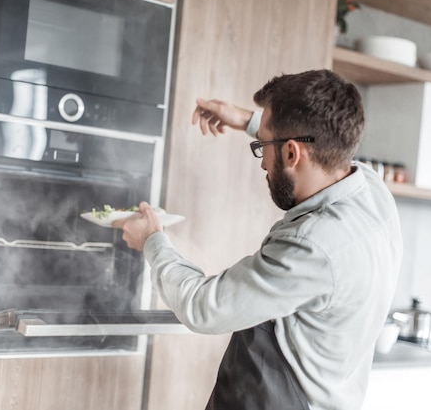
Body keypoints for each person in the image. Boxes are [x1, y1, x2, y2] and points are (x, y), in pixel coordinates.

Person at [114, 69, 403, 410]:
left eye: (263, 145)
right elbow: (313, 142)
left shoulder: (313, 245)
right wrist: (245, 120)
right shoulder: (370, 188)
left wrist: (152, 240)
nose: (263, 161)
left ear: (293, 153)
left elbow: (204, 306)